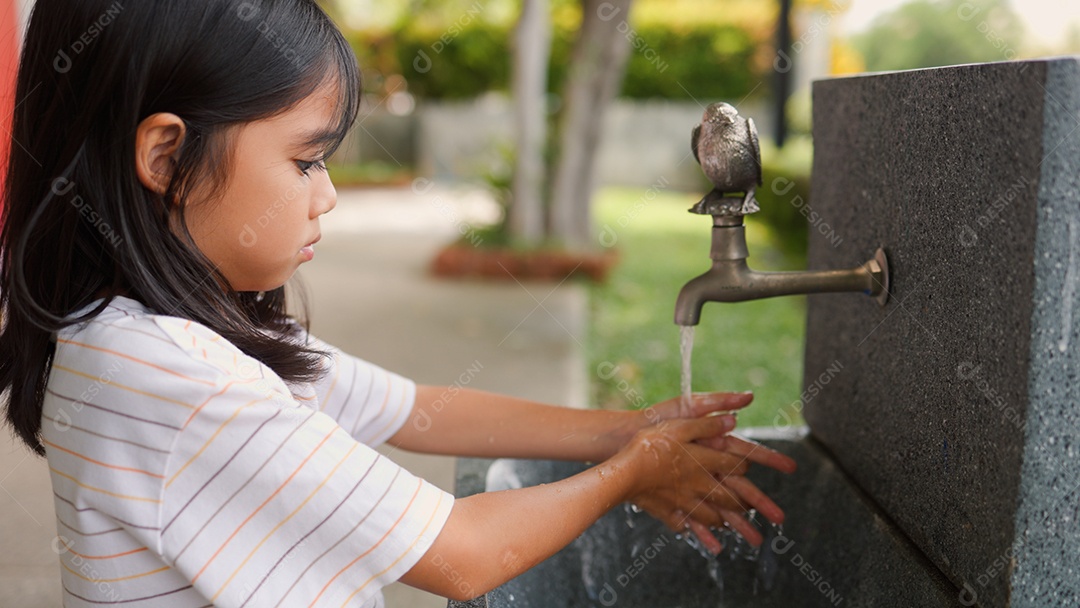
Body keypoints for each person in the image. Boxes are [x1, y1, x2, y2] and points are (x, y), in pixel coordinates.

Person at [0, 1, 796, 606]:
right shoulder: (176, 379)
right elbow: (463, 554)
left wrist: (623, 430)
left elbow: (416, 409)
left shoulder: (157, 333)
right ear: (168, 155)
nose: (330, 195)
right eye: (307, 161)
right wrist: (629, 471)